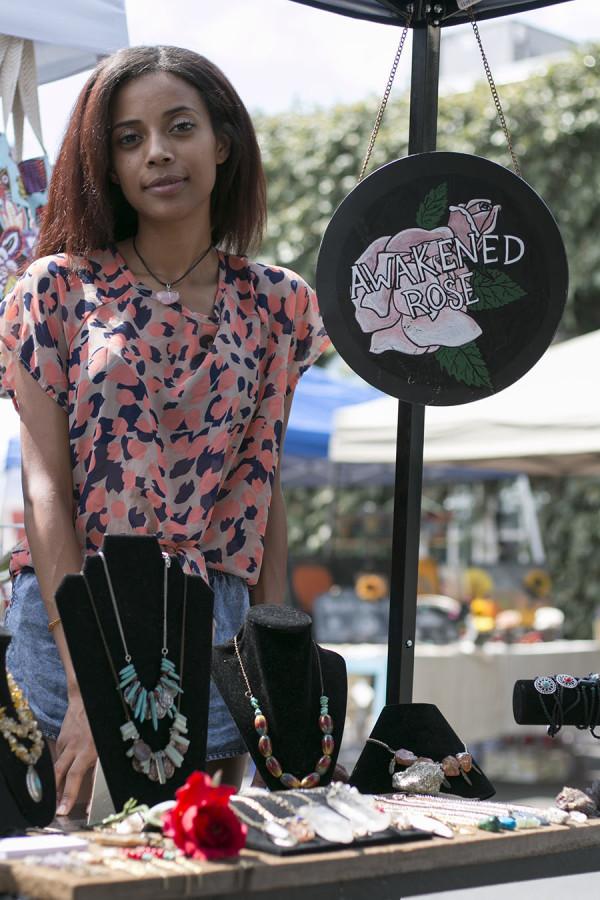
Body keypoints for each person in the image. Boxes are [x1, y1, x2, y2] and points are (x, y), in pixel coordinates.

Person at [0, 45, 329, 816]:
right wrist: (84, 675)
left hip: (212, 613)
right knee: (47, 849)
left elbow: (264, 484)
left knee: (196, 859)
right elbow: (45, 489)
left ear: (222, 141)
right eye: (128, 138)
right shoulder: (55, 291)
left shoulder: (281, 305)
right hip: (73, 598)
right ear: (108, 165)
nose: (157, 152)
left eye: (179, 127)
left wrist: (279, 659)